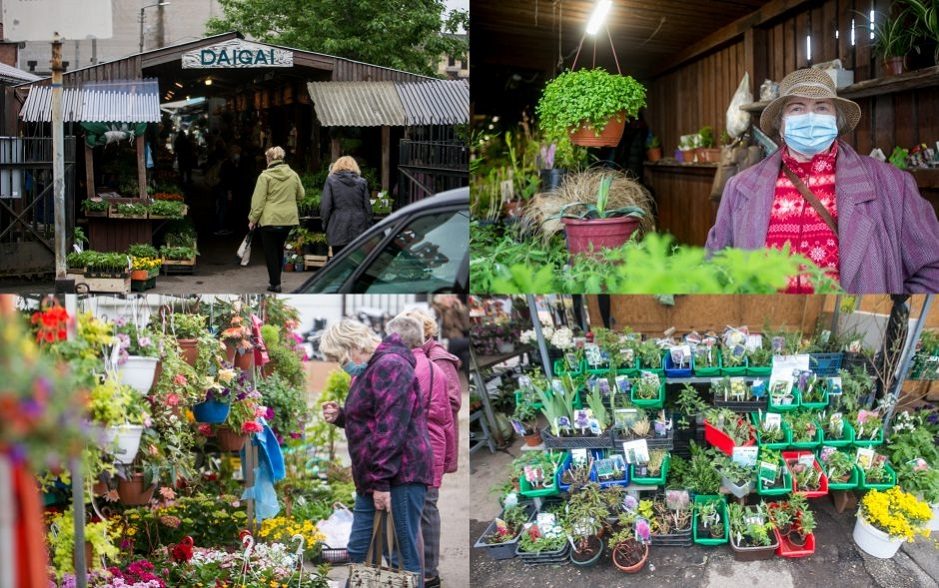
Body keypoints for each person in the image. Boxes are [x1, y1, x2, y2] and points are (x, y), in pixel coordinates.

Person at [705, 68, 939, 293]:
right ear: (780, 125)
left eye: (821, 107)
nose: (810, 117)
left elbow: (933, 268)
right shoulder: (740, 188)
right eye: (796, 108)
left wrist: (893, 308)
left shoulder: (892, 185)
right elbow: (715, 269)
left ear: (836, 121)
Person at [320, 319, 432, 588]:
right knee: (359, 550)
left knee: (401, 561)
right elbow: (372, 418)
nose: (341, 364)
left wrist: (381, 483)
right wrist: (342, 417)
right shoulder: (373, 367)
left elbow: (391, 427)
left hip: (399, 475)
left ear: (353, 345)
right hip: (375, 476)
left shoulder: (389, 365)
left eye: (340, 357)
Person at [386, 314, 454, 588]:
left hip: (422, 447)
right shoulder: (428, 364)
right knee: (424, 509)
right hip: (431, 445)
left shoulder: (428, 363)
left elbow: (446, 410)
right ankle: (426, 572)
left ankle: (426, 573)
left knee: (423, 510)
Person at [248, 146, 303, 293]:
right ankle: (276, 280)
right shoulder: (293, 175)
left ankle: (275, 283)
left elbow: (258, 202)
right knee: (279, 249)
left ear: (269, 159)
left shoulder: (265, 177)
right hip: (288, 220)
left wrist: (252, 219)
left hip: (270, 220)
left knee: (270, 251)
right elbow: (301, 195)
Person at [320, 156, 372, 257]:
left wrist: (325, 225)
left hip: (338, 226)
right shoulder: (362, 182)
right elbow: (368, 208)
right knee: (357, 262)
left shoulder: (331, 181)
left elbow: (325, 207)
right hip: (359, 226)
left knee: (339, 262)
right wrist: (368, 226)